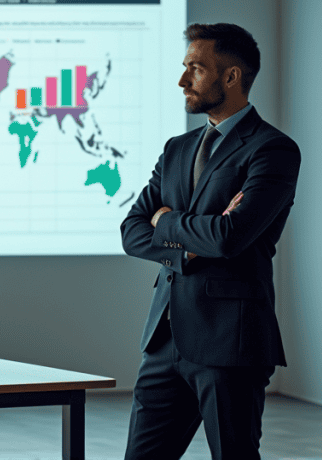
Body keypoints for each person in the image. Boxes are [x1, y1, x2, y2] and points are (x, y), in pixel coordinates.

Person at [120, 24, 300, 460]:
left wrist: (168, 220)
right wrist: (192, 241)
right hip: (164, 340)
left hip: (230, 342)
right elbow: (132, 230)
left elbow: (230, 236)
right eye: (185, 68)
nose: (183, 80)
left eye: (195, 69)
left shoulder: (272, 150)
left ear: (232, 77)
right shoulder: (177, 149)